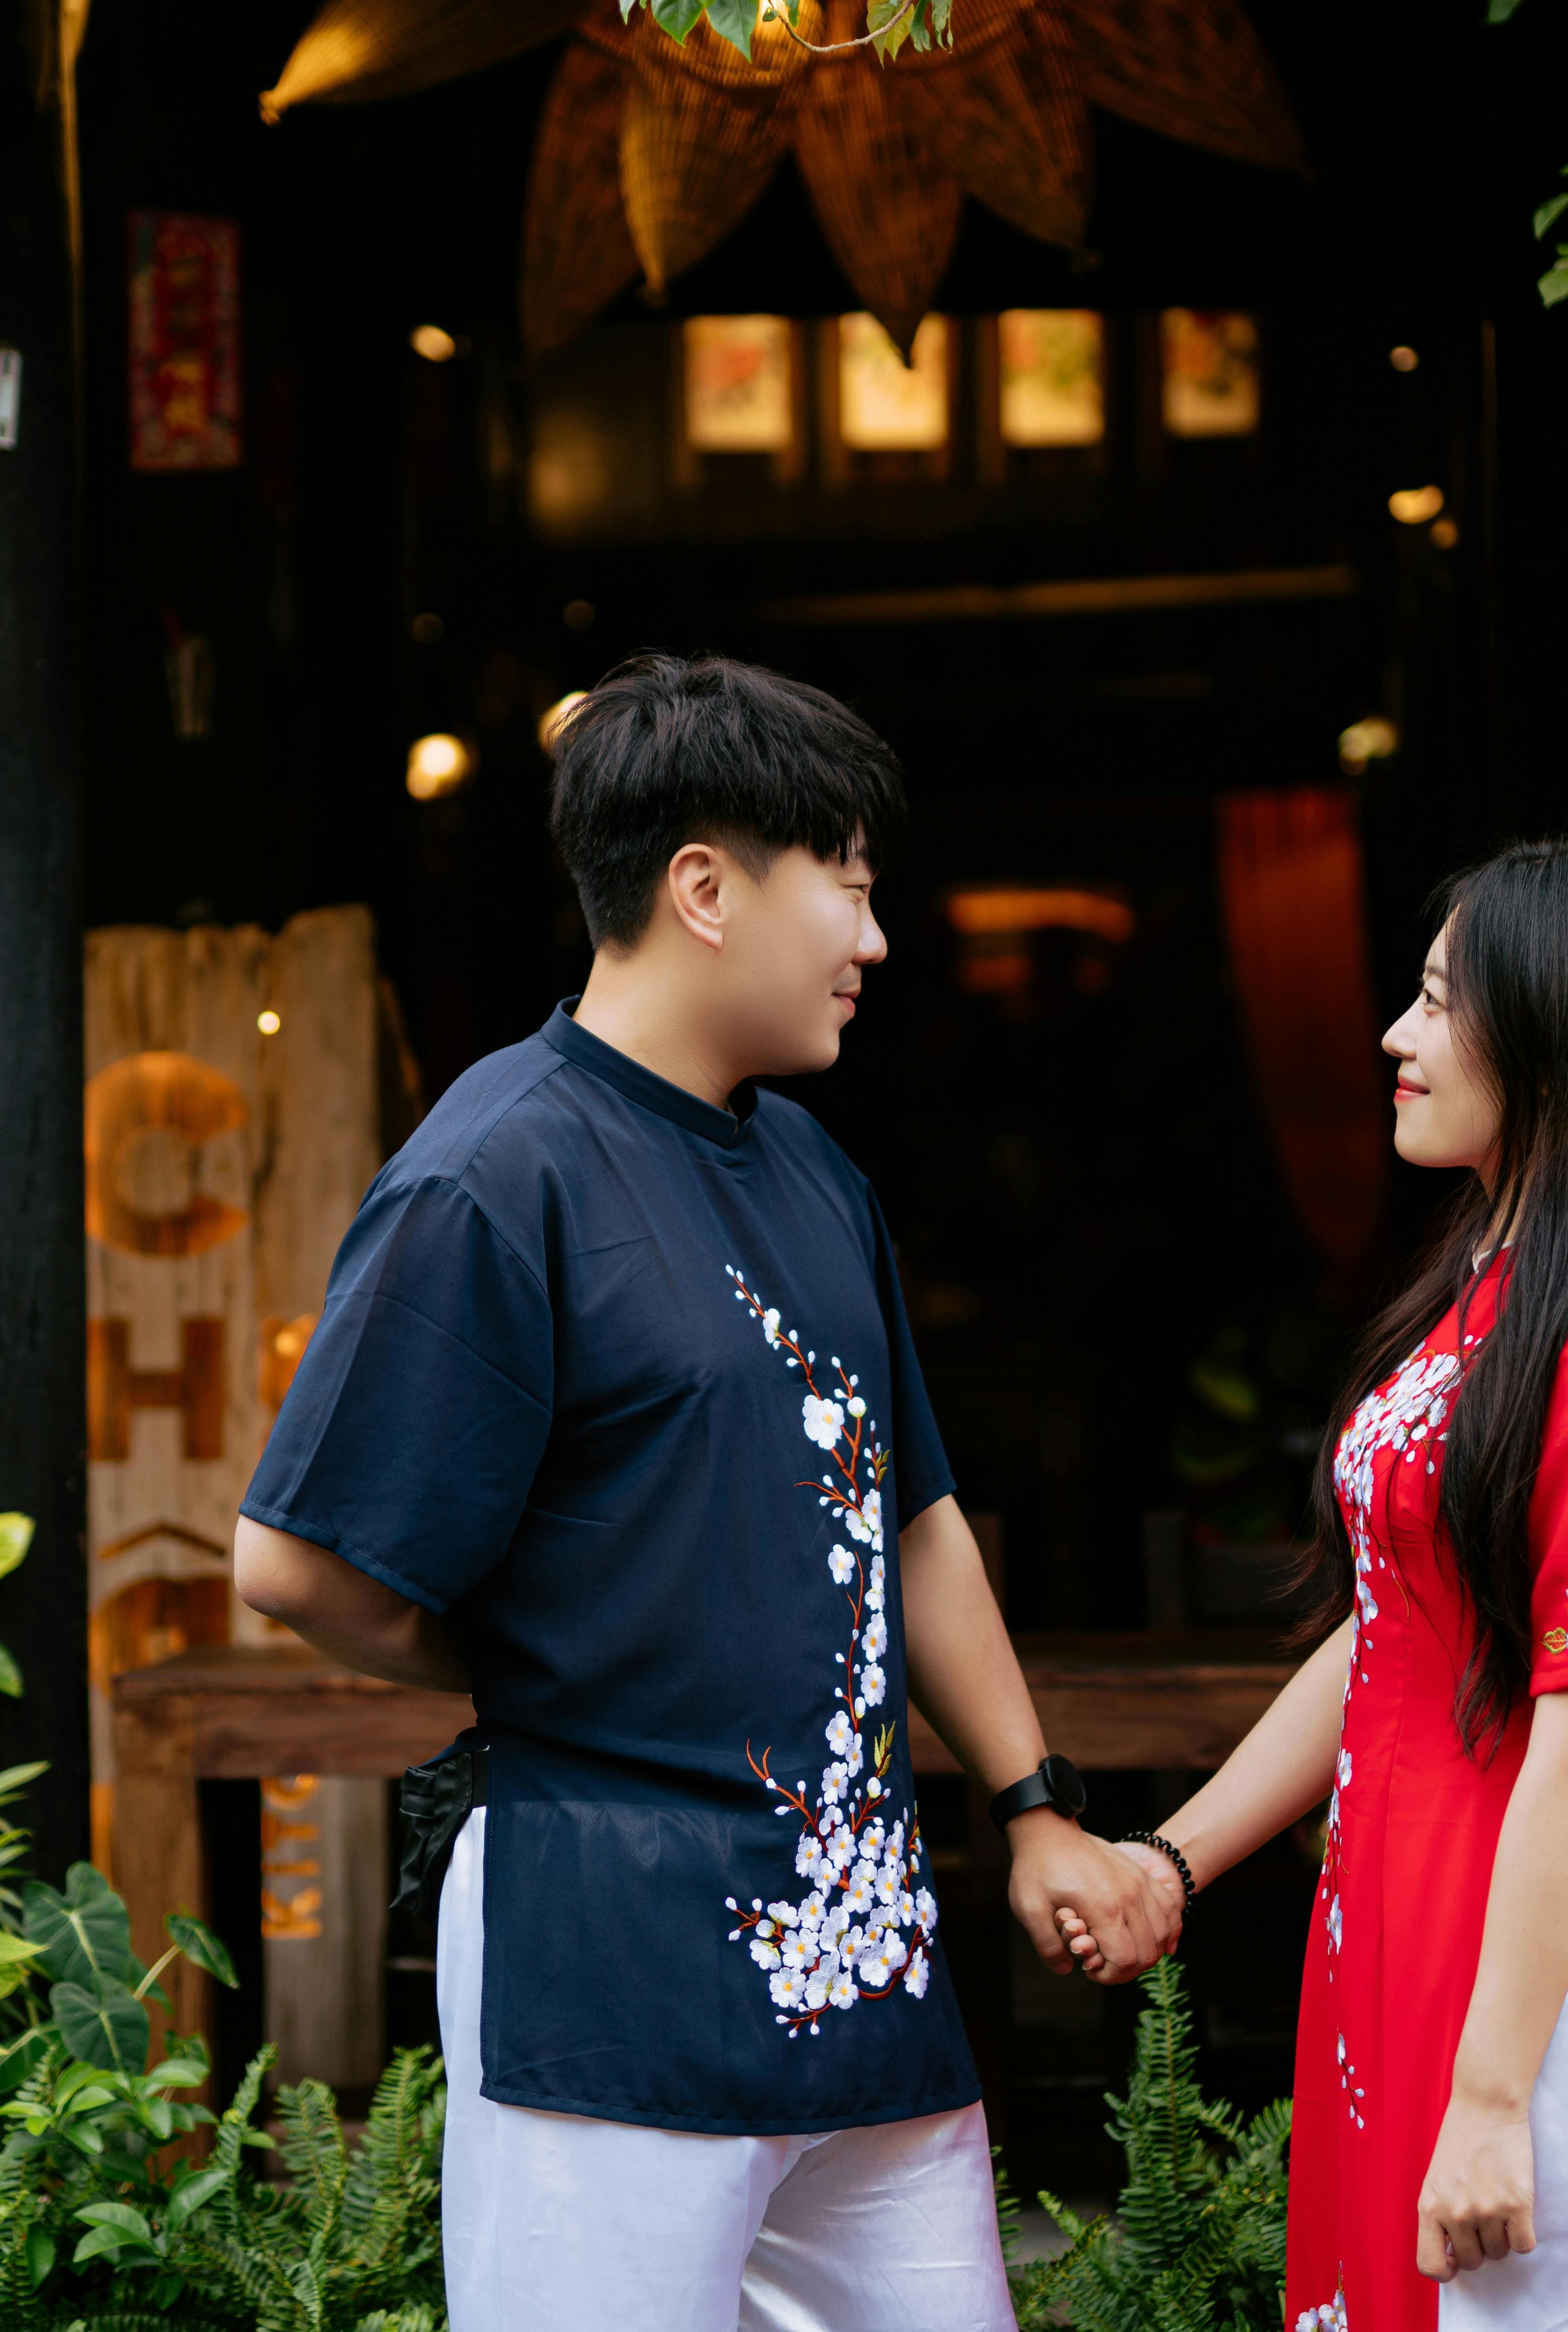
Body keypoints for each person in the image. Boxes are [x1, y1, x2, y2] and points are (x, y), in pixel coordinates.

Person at [232, 650, 1177, 2332]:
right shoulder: (493, 1167)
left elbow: (919, 1521)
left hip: (862, 1948)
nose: (879, 939)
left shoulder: (815, 1165)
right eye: (852, 884)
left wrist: (1035, 1802)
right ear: (704, 889)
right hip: (605, 1947)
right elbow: (298, 1561)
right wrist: (549, 1665)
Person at [1074, 837, 1568, 2332]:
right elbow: (1396, 1634)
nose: (1396, 1037)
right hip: (1405, 1943)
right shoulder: (1493, 1299)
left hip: (1530, 2010)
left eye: (1440, 1004)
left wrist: (1495, 2100)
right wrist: (1170, 1864)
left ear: (1553, 1035)